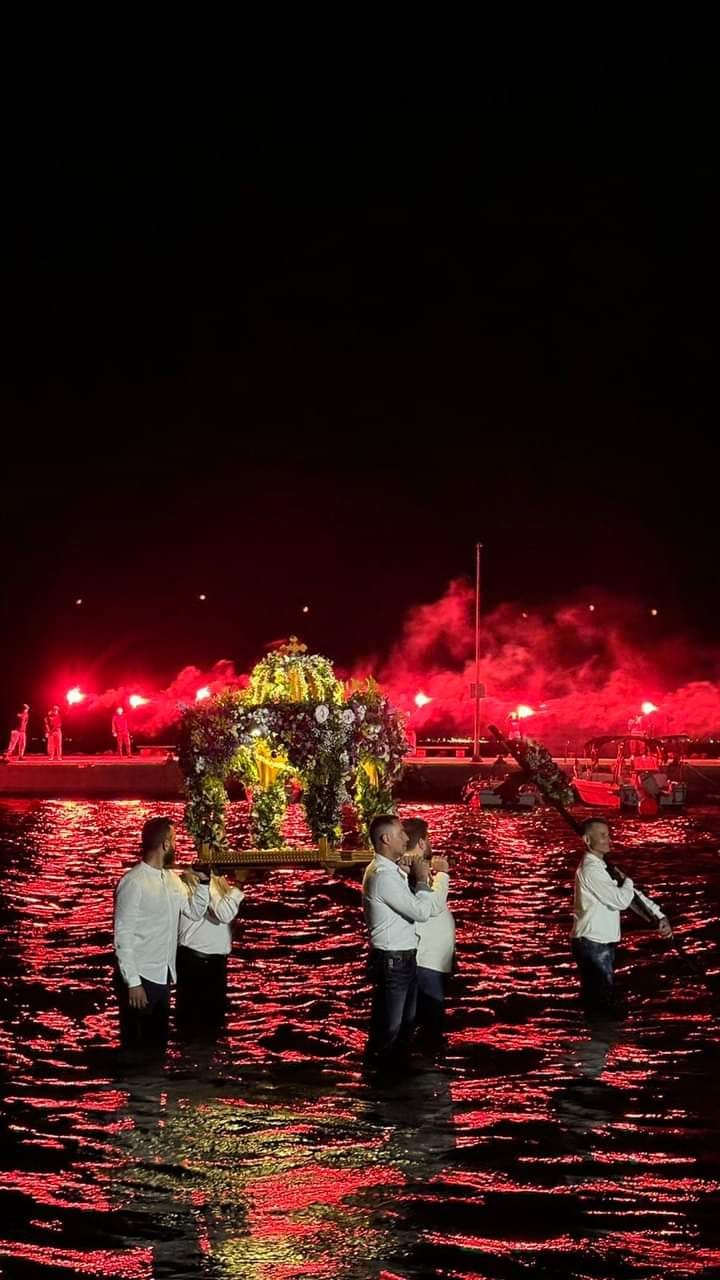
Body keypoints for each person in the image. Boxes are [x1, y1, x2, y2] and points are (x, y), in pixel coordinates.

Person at [113, 816, 210, 1051]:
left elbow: (193, 912)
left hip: (163, 975)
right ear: (165, 844)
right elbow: (122, 935)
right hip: (141, 978)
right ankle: (137, 1086)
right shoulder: (133, 882)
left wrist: (204, 884)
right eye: (174, 839)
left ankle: (154, 1085)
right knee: (136, 1048)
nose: (176, 845)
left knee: (157, 1046)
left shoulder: (172, 880)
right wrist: (133, 983)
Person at [362, 813, 449, 1072]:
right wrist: (422, 880)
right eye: (401, 833)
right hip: (393, 961)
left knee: (404, 1024)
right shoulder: (383, 876)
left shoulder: (390, 871)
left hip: (402, 958)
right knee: (390, 1027)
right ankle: (379, 1083)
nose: (406, 837)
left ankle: (393, 1079)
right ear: (386, 838)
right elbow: (421, 912)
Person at [571, 817, 672, 1016]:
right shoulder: (591, 869)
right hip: (592, 943)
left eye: (608, 834)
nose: (608, 839)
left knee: (602, 997)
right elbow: (622, 899)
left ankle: (600, 1040)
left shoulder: (604, 868)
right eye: (602, 835)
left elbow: (632, 895)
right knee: (601, 1001)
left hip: (601, 943)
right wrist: (628, 881)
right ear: (587, 840)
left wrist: (659, 915)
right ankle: (599, 1039)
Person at [403, 817, 455, 1052]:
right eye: (429, 838)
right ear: (422, 842)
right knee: (431, 1019)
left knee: (428, 1017)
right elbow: (430, 907)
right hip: (426, 961)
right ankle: (426, 1069)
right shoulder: (413, 871)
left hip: (432, 959)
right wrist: (443, 875)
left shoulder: (416, 868)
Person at [175, 868, 245, 1038]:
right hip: (198, 964)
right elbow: (224, 913)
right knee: (197, 1027)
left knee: (212, 1026)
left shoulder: (216, 880)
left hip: (211, 963)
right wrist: (240, 883)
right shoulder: (196, 879)